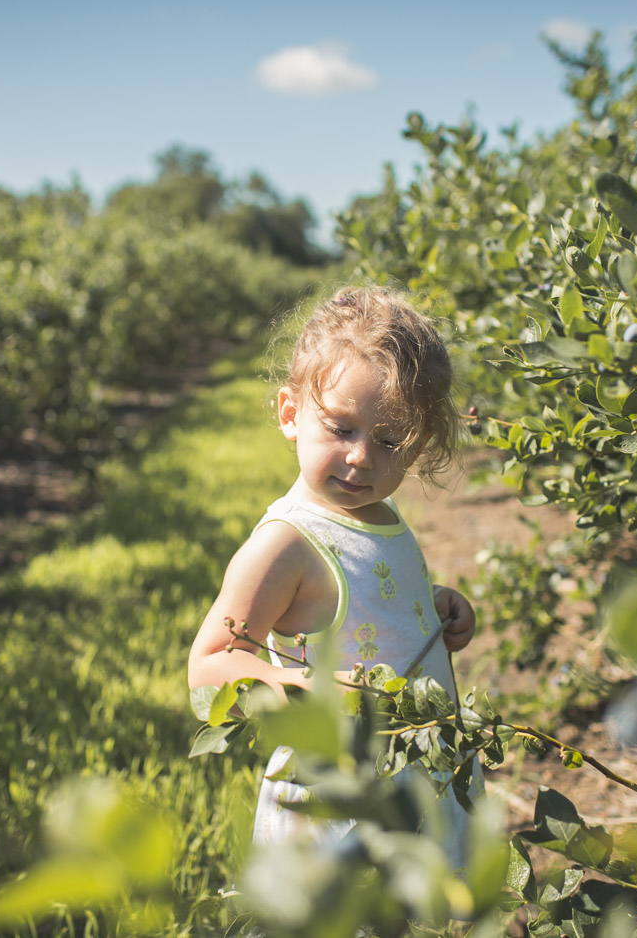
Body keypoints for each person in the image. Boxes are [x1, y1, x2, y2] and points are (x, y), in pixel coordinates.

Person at [186, 283, 479, 870]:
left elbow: (374, 602)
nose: (362, 457)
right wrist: (305, 691)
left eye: (390, 440)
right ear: (291, 414)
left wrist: (434, 605)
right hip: (339, 804)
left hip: (419, 775)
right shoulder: (285, 545)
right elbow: (208, 669)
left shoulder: (380, 515)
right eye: (342, 429)